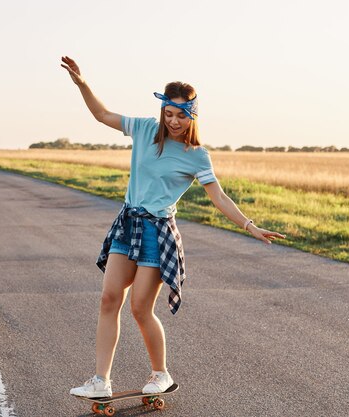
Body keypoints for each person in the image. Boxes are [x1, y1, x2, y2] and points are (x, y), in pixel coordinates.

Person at [61, 56, 286, 398]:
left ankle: (160, 373)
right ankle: (101, 380)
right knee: (109, 298)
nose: (174, 120)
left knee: (139, 307)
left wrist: (249, 225)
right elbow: (103, 115)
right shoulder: (145, 129)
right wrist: (82, 85)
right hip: (127, 224)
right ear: (162, 110)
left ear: (192, 115)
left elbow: (219, 196)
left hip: (156, 232)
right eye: (169, 113)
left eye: (181, 115)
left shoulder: (196, 155)